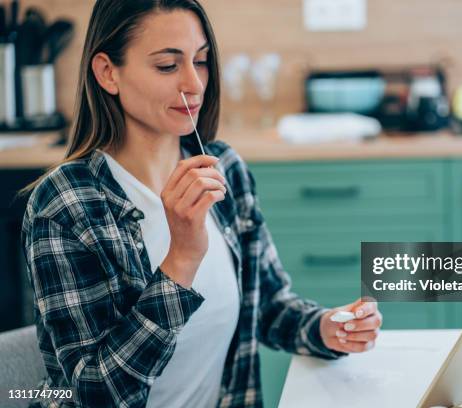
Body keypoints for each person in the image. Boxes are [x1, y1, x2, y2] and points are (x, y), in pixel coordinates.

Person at [20, 1, 382, 407]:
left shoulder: (223, 167)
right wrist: (181, 260)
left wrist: (326, 328)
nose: (193, 82)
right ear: (108, 73)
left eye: (202, 60)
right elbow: (95, 392)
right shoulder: (65, 205)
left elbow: (267, 305)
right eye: (167, 66)